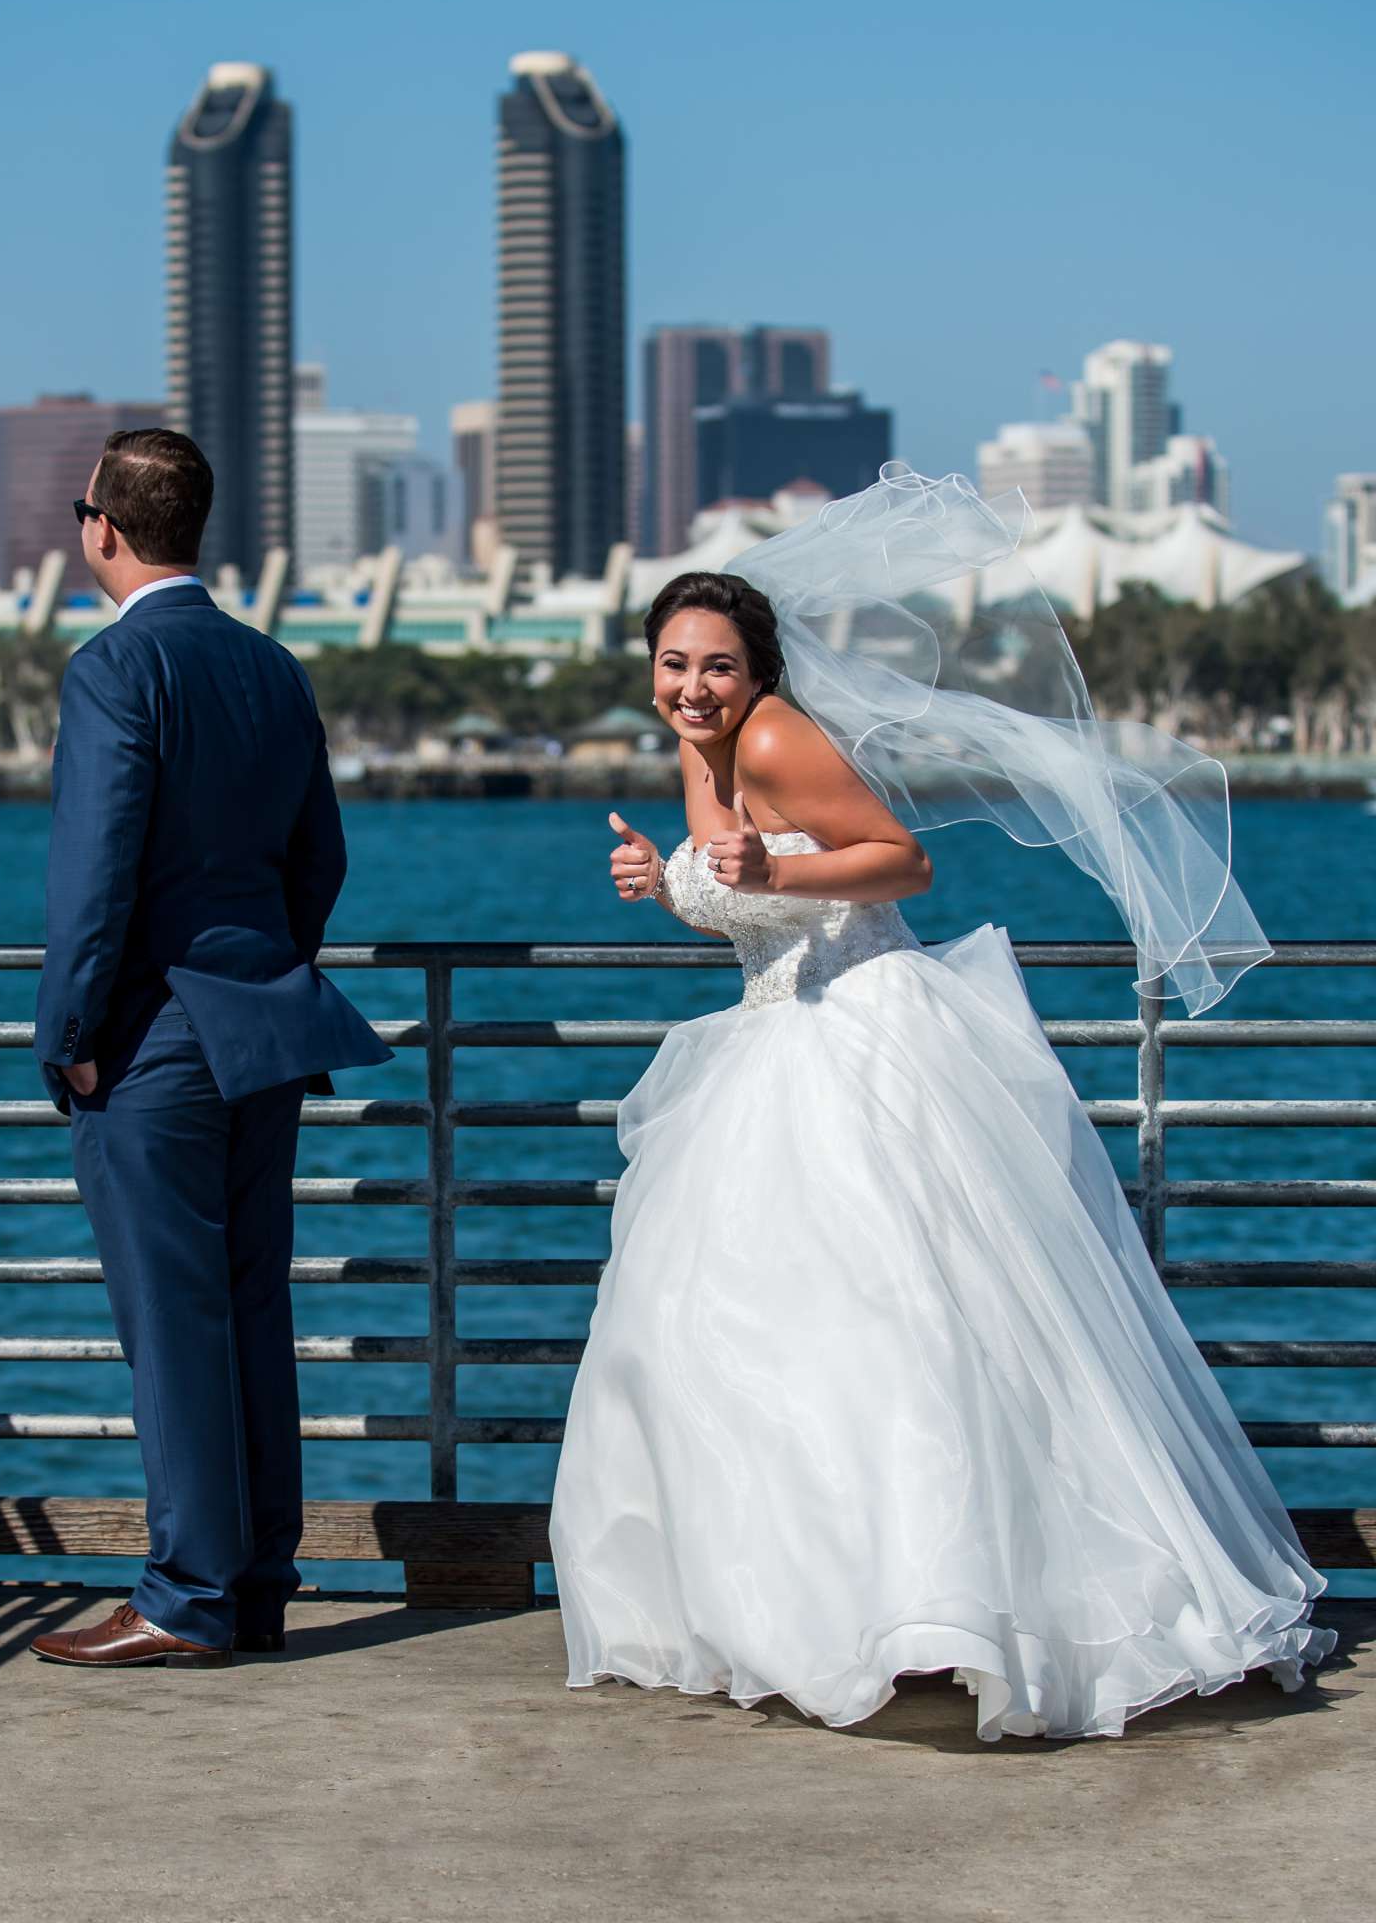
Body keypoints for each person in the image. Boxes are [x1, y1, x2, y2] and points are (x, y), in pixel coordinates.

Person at [550, 469, 1334, 1741]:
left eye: (718, 664)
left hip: (859, 1041)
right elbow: (753, 898)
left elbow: (899, 861)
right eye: (674, 662)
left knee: (905, 1327)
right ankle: (810, 1603)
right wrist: (673, 877)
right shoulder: (697, 751)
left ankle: (963, 1610)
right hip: (769, 1046)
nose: (693, 685)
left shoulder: (771, 738)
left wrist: (757, 868)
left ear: (759, 670)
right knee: (759, 1339)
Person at [29, 428, 390, 1670]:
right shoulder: (271, 667)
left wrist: (73, 1037)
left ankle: (184, 1598)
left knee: (174, 1323)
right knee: (247, 1310)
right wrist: (266, 964)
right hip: (262, 1026)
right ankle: (253, 1588)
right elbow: (319, 859)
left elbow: (95, 869)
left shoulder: (114, 669)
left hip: (154, 1041)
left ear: (103, 527)